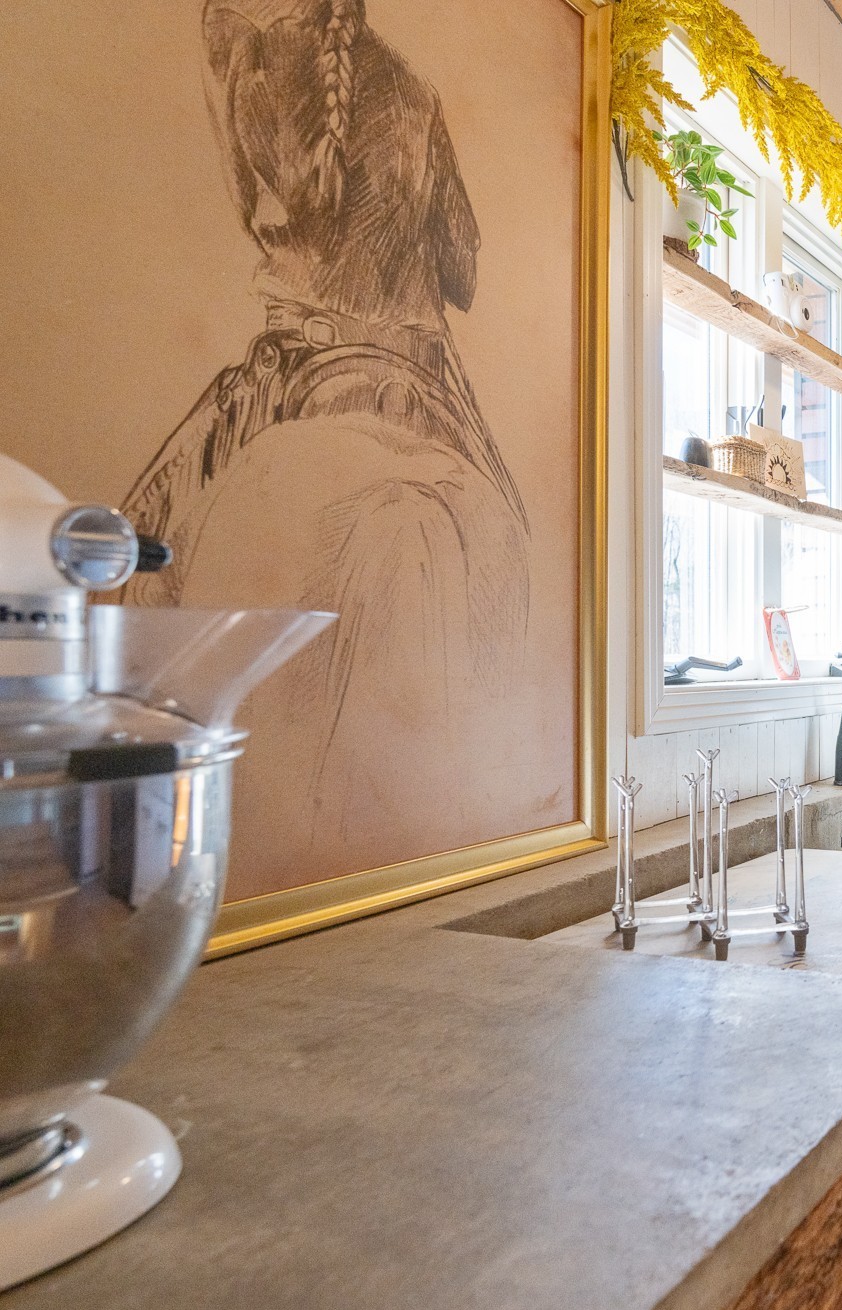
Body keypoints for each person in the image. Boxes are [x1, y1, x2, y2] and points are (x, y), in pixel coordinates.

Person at [122, 0, 532, 893]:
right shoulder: (419, 90)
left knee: (125, 568)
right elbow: (461, 269)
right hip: (429, 386)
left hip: (304, 365)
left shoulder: (241, 43)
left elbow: (263, 211)